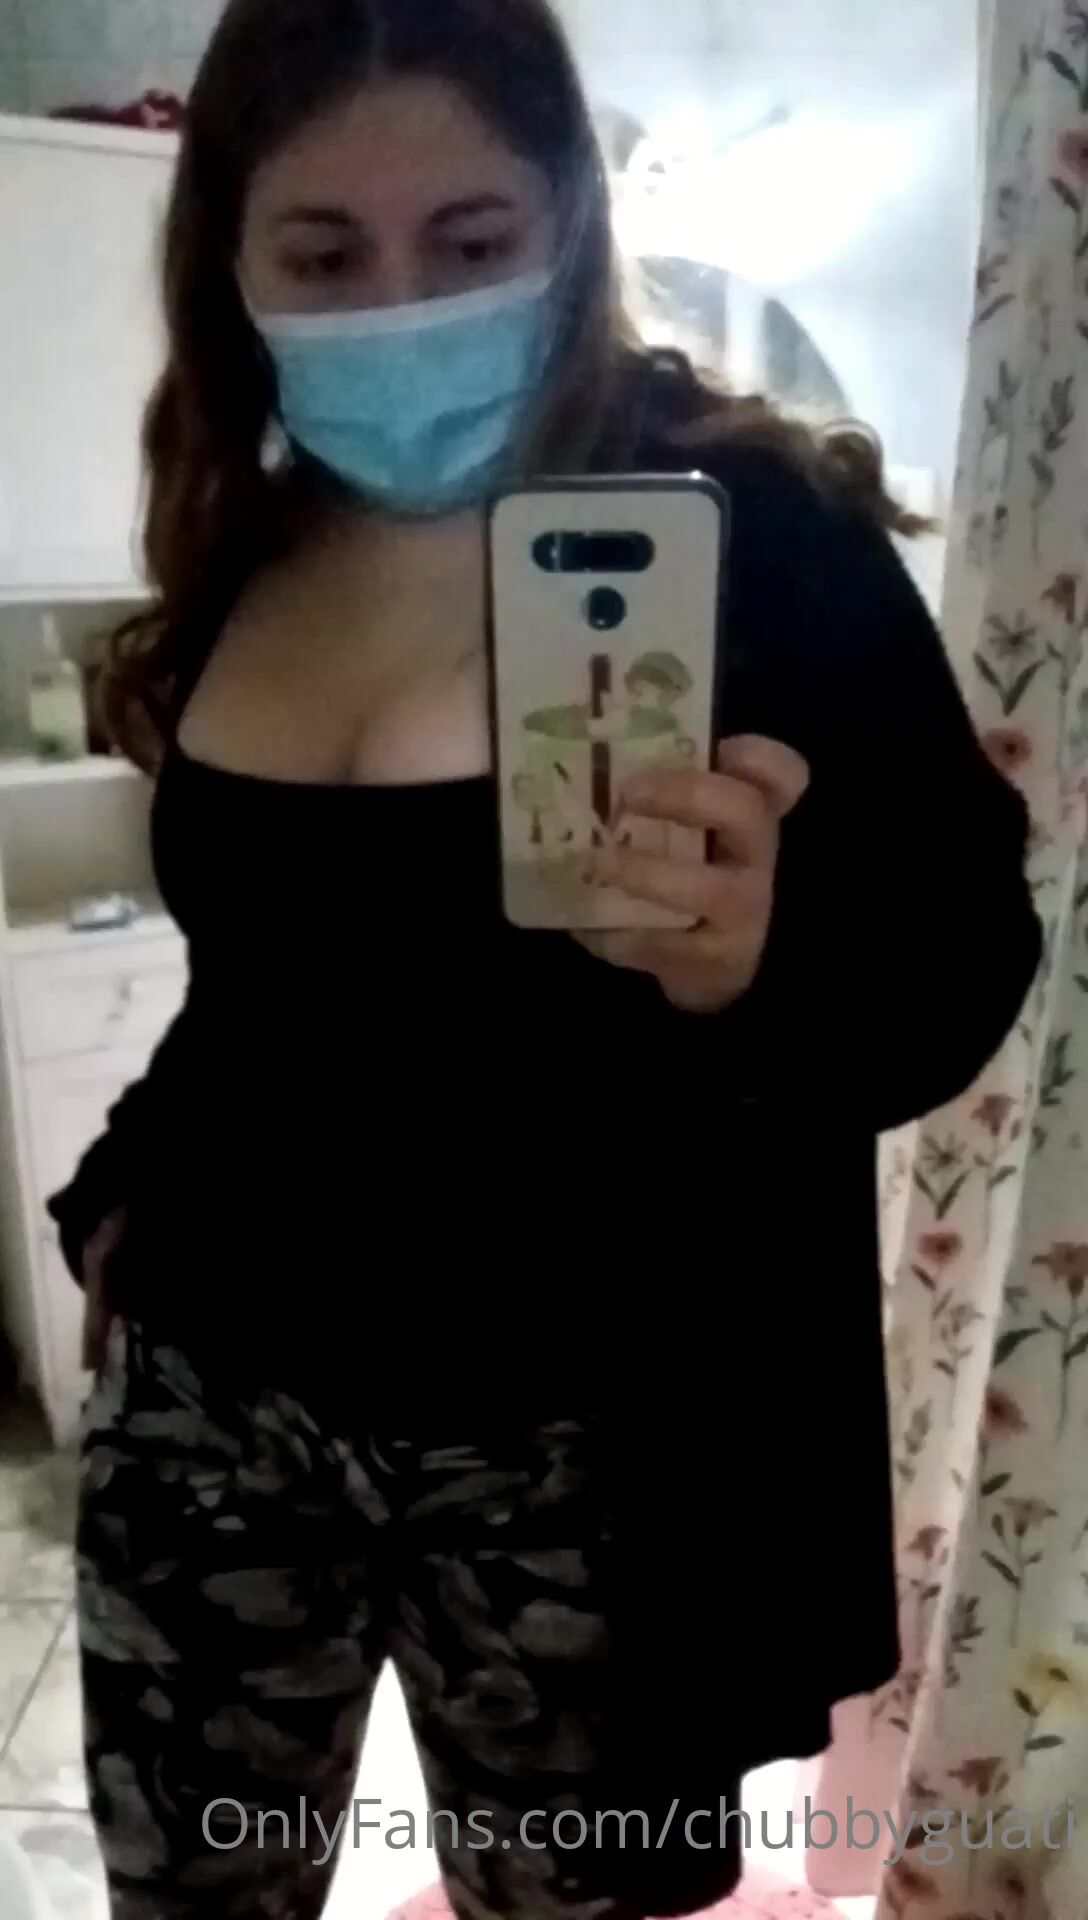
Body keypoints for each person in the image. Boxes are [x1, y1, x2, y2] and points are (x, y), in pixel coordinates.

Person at [49, 2, 1043, 1917]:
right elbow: (268, 979)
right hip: (215, 1405)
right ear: (231, 260)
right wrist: (124, 1187)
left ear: (569, 225)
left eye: (471, 239)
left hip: (589, 1455)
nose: (400, 303)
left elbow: (959, 966)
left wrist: (754, 965)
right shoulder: (255, 525)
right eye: (324, 252)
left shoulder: (756, 531)